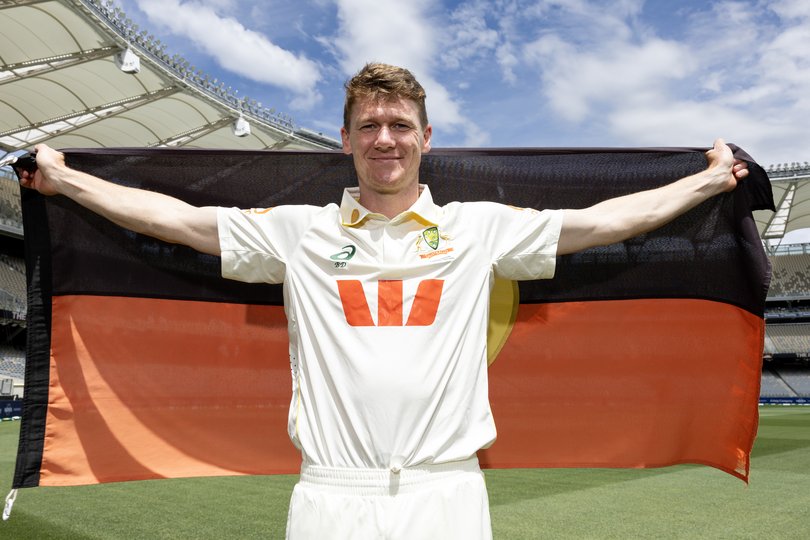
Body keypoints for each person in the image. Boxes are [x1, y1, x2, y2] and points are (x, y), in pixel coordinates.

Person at [20, 63, 749, 540]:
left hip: (448, 497)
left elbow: (603, 223)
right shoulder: (300, 234)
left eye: (399, 124)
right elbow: (177, 222)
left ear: (426, 139)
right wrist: (65, 181)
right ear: (345, 140)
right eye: (369, 125)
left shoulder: (478, 228)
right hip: (331, 497)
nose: (385, 138)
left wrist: (711, 183)